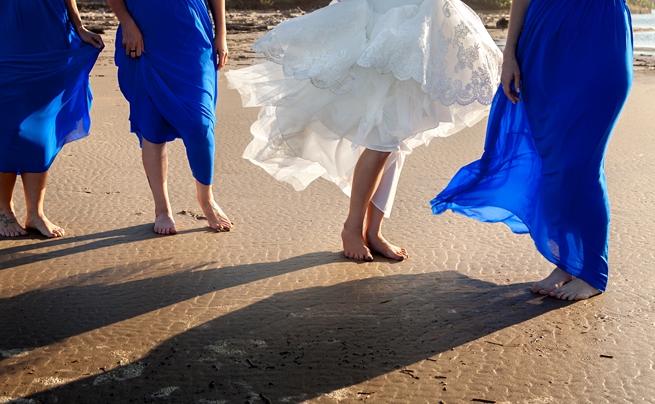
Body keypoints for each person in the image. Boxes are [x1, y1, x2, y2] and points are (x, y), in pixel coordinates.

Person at [226, 0, 501, 260]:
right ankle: (353, 227)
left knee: (396, 140)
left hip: (420, 29)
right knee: (385, 141)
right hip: (383, 26)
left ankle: (373, 231)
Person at [431, 0, 633, 300]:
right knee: (553, 163)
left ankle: (592, 271)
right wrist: (509, 55)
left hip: (602, 38)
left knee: (582, 165)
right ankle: (566, 262)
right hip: (544, 43)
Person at [0, 0, 104, 238]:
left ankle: (36, 213)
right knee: (3, 124)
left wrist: (79, 26)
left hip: (48, 31)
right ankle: (4, 210)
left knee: (43, 125)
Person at [108, 0, 233, 234]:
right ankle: (162, 209)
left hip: (192, 37)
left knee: (200, 125)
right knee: (151, 125)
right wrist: (127, 24)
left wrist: (221, 35)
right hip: (143, 36)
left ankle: (206, 199)